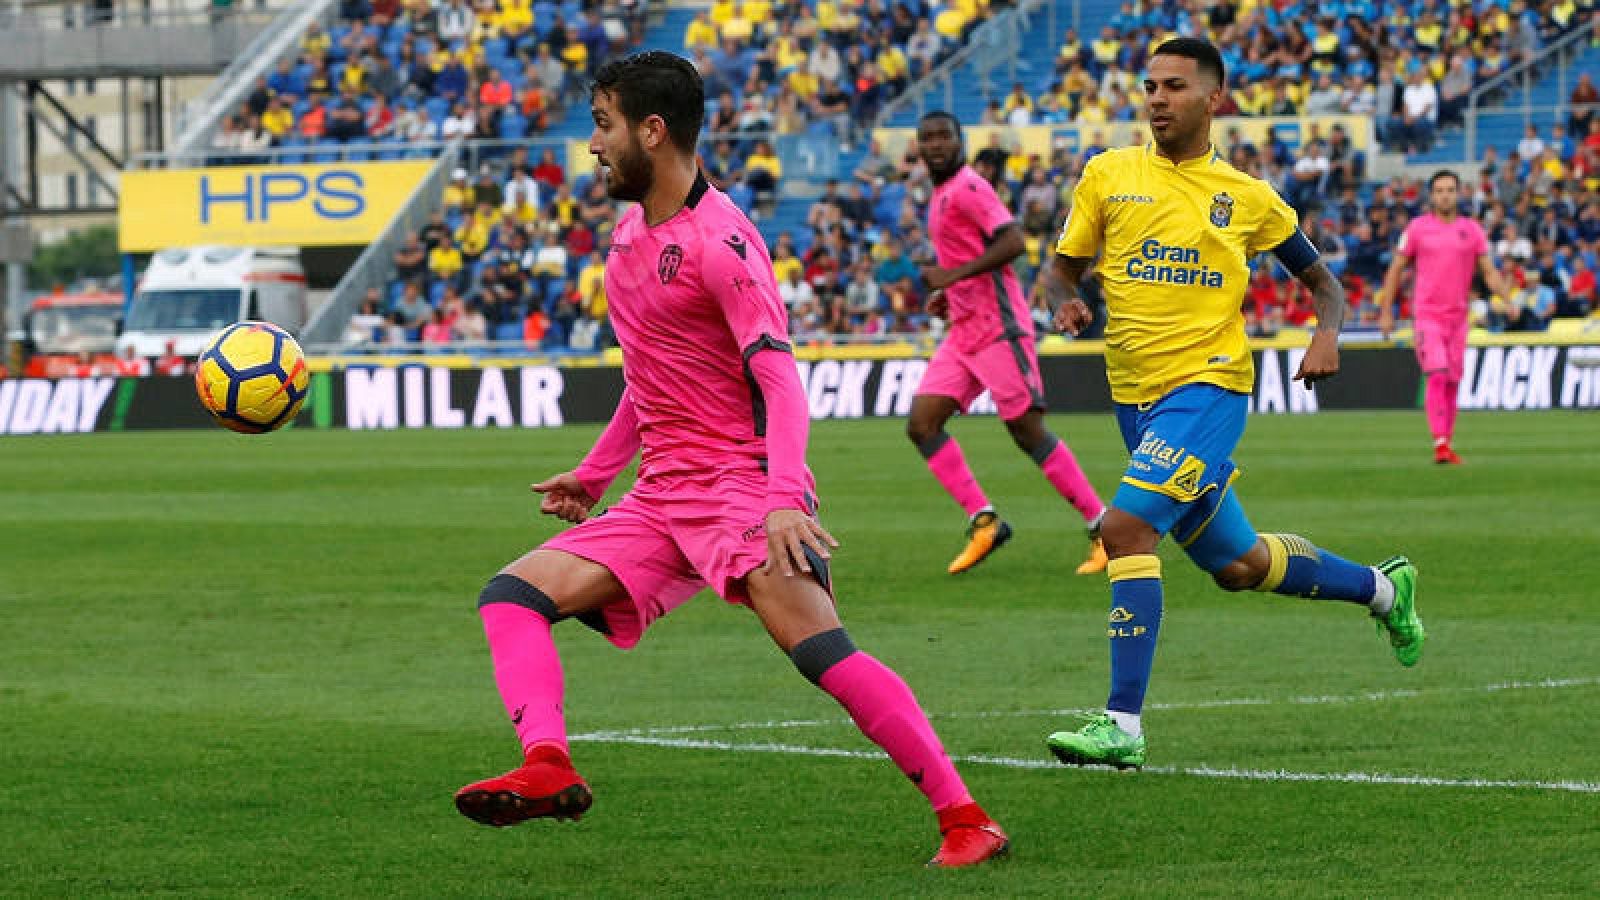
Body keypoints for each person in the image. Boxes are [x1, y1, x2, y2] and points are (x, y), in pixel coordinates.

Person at [453, 51, 1008, 869]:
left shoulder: (723, 244)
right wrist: (597, 474)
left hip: (743, 489)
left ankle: (967, 820)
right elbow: (653, 377)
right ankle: (548, 765)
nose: (593, 146)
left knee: (822, 652)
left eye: (604, 126)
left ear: (653, 130)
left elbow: (780, 378)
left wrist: (785, 496)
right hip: (662, 494)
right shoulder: (628, 232)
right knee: (511, 598)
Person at [1038, 39, 1425, 771]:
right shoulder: (1108, 174)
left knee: (1123, 529)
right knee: (1238, 565)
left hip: (1210, 389)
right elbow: (1060, 274)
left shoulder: (1247, 198)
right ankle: (1383, 590)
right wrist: (1064, 305)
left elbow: (1326, 285)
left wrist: (1327, 335)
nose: (1157, 99)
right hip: (1136, 402)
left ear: (1214, 99)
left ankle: (1122, 725)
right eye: (1150, 86)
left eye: (1175, 87)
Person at [909, 111, 1109, 576]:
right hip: (964, 330)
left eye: (944, 136)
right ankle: (985, 521)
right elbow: (968, 256)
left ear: (960, 142)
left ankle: (1103, 529)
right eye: (928, 138)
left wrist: (951, 277)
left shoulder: (968, 187)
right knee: (923, 423)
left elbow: (1014, 241)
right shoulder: (939, 195)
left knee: (1026, 430)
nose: (936, 144)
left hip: (999, 328)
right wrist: (949, 293)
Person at [1375, 171, 1510, 464]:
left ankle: (1446, 443)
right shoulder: (1417, 229)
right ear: (1432, 195)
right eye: (1439, 190)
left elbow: (1488, 271)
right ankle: (1439, 444)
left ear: (1458, 193)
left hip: (1459, 318)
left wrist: (1507, 297)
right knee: (1436, 374)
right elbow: (1396, 270)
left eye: (1450, 190)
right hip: (1427, 316)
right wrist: (1386, 311)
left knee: (1452, 381)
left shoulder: (1472, 230)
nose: (1445, 195)